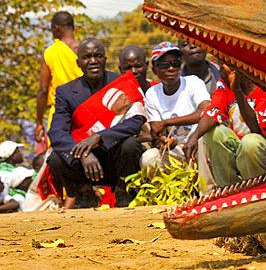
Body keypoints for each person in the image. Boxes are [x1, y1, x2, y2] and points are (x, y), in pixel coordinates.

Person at [45, 38, 145, 209]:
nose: (93, 61)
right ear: (78, 63)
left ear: (105, 60)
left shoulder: (121, 84)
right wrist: (82, 154)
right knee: (55, 157)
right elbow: (57, 133)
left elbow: (135, 122)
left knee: (132, 145)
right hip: (84, 165)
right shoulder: (65, 92)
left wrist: (99, 137)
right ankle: (84, 194)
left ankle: (123, 192)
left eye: (98, 56)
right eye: (87, 57)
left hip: (115, 158)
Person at [183, 72, 266, 188]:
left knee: (250, 143)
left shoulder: (264, 82)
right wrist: (194, 137)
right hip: (240, 148)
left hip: (265, 149)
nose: (220, 70)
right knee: (214, 133)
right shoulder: (224, 84)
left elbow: (256, 128)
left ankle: (258, 190)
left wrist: (237, 90)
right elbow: (213, 111)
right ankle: (230, 190)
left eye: (224, 64)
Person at [141, 42, 211, 169]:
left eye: (176, 63)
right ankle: (167, 187)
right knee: (148, 158)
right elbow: (157, 130)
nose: (171, 68)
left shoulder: (193, 82)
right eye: (164, 65)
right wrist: (164, 141)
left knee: (198, 130)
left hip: (198, 147)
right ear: (154, 70)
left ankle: (206, 188)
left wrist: (167, 122)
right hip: (175, 152)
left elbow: (206, 111)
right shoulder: (152, 94)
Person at [35, 11, 82, 146]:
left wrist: (39, 122)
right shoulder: (84, 48)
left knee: (58, 154)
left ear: (57, 28)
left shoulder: (49, 52)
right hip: (86, 110)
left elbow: (43, 90)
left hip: (60, 114)